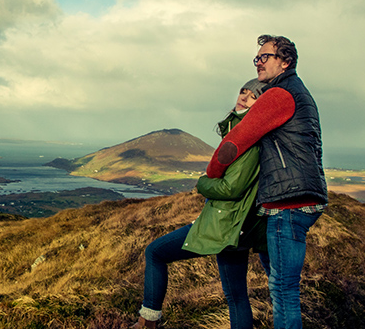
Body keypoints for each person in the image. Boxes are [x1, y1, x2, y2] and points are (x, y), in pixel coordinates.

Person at [206, 35, 326, 329]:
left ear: (285, 62)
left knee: (283, 290)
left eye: (265, 57)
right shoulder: (298, 92)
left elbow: (237, 140)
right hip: (297, 198)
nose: (258, 63)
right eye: (256, 58)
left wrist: (212, 173)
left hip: (289, 203)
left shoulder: (279, 94)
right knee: (281, 282)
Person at [132, 79, 268, 329]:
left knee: (155, 252)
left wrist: (203, 183)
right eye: (243, 91)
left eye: (253, 97)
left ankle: (147, 321)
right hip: (235, 226)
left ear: (261, 107)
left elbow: (231, 188)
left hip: (224, 224)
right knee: (236, 296)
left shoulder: (248, 141)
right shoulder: (242, 134)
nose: (244, 98)